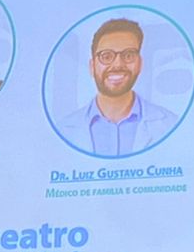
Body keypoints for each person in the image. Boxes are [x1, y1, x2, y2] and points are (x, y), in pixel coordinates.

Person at [55, 18, 180, 157]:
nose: (118, 64)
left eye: (128, 55)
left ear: (140, 64)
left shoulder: (171, 125)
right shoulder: (62, 130)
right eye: (106, 56)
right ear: (92, 67)